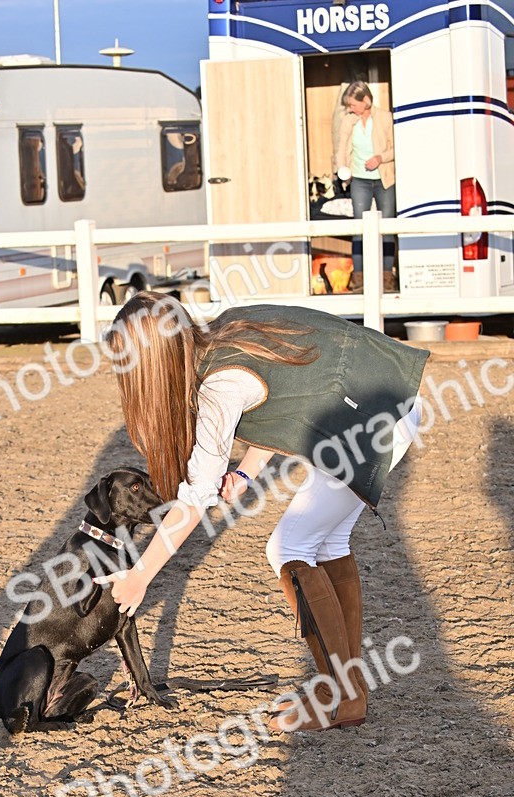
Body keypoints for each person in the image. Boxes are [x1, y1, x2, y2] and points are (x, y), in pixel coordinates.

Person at [96, 292, 429, 734]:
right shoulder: (228, 330)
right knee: (326, 541)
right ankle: (347, 692)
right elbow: (285, 404)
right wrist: (246, 473)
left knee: (287, 547)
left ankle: (341, 696)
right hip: (390, 400)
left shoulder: (217, 387)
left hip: (372, 419)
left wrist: (139, 576)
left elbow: (195, 501)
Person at [336, 81, 397, 293]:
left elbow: (396, 147)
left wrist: (380, 158)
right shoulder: (349, 121)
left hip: (384, 179)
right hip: (359, 180)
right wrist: (342, 168)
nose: (351, 108)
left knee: (386, 228)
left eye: (354, 104)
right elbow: (341, 147)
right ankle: (359, 277)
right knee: (358, 228)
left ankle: (387, 276)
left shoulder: (385, 118)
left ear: (366, 100)